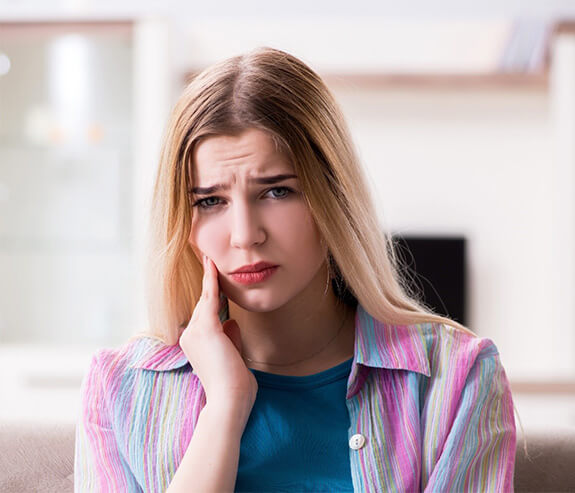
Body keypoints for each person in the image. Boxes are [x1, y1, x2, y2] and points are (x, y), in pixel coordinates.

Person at [74, 47, 516, 492]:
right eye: (210, 201)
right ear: (180, 223)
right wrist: (225, 407)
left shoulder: (457, 379)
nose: (245, 235)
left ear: (334, 197)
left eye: (277, 192)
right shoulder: (120, 389)